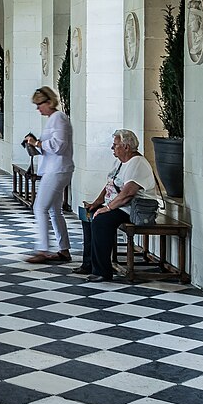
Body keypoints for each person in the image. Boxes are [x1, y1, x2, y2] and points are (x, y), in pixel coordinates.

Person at [77, 129, 160, 282]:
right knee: (87, 214)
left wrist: (107, 208)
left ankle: (102, 271)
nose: (112, 148)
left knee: (101, 221)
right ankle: (88, 263)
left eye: (115, 145)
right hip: (119, 204)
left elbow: (128, 194)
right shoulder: (121, 162)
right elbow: (109, 185)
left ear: (126, 147)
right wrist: (96, 204)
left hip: (133, 208)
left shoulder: (137, 163)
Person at [23, 86, 74, 264]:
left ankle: (43, 250)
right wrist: (36, 144)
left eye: (39, 104)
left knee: (39, 207)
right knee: (54, 210)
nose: (38, 109)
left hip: (57, 170)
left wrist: (37, 142)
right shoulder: (54, 119)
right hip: (56, 169)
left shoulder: (58, 118)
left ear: (49, 102)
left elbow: (59, 146)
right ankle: (64, 249)